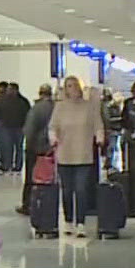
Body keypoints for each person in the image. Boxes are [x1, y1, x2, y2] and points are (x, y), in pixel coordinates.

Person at [48, 75, 106, 238]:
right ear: (65, 89)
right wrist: (53, 139)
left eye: (75, 85)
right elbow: (52, 127)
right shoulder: (59, 108)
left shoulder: (90, 107)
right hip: (65, 154)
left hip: (84, 154)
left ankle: (81, 223)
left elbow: (98, 125)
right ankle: (68, 221)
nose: (73, 89)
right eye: (69, 86)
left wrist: (100, 138)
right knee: (67, 190)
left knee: (81, 190)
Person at [17, 82, 55, 216]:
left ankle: (28, 204)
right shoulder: (55, 107)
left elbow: (30, 129)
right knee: (48, 178)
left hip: (35, 148)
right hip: (51, 148)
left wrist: (29, 144)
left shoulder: (36, 109)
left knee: (31, 177)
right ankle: (48, 203)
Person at [0, 81, 30, 173]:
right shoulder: (23, 101)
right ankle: (14, 165)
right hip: (13, 127)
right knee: (12, 147)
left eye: (10, 89)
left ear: (15, 90)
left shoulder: (3, 101)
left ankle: (10, 165)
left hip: (13, 127)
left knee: (12, 147)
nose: (8, 91)